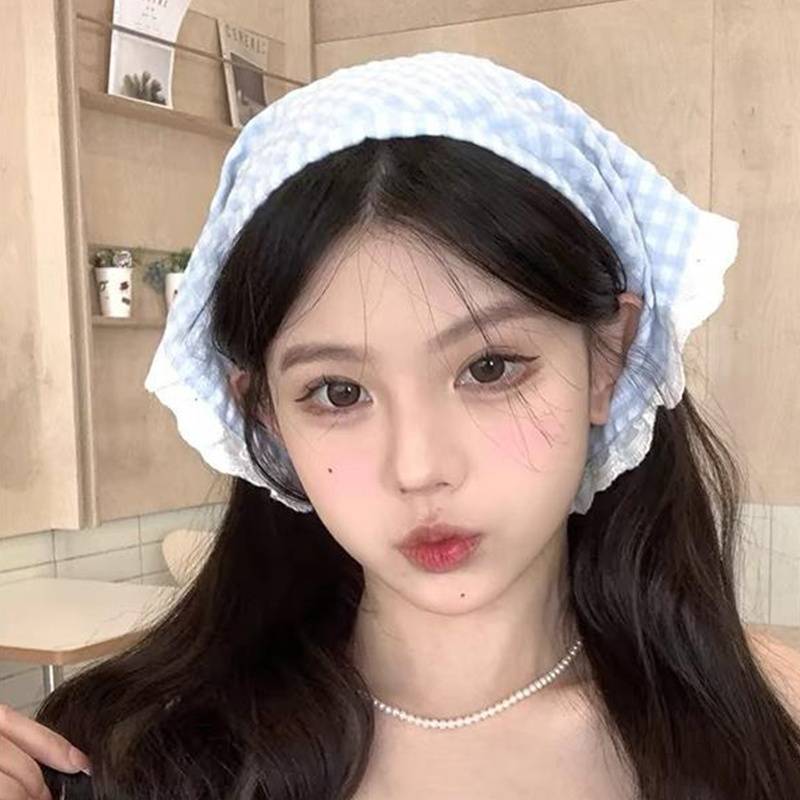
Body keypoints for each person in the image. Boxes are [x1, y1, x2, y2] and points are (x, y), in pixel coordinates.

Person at [2, 51, 799, 800]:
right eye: (338, 391)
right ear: (264, 414)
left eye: (490, 367)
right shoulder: (129, 756)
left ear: (606, 358)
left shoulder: (765, 723)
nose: (418, 467)